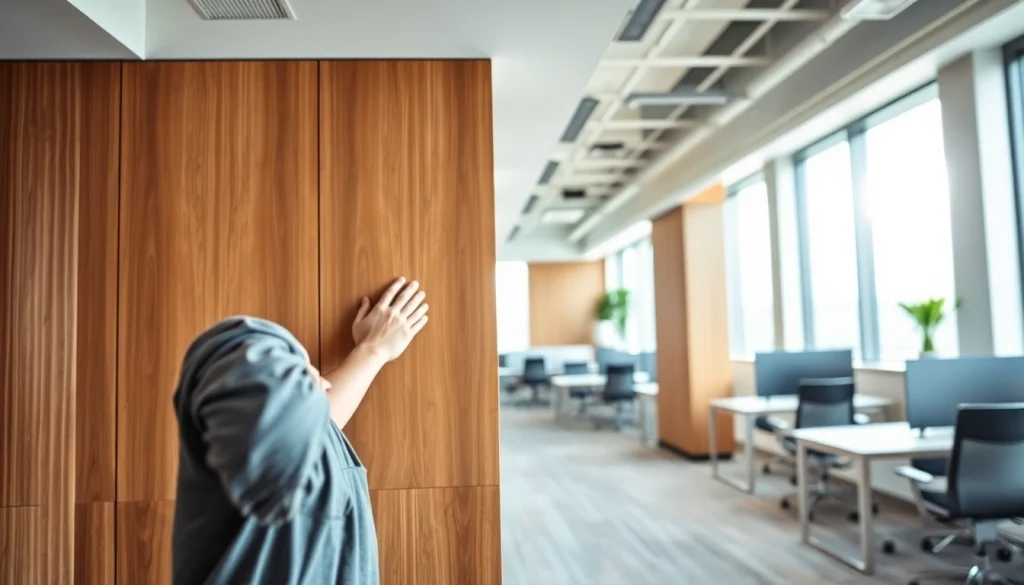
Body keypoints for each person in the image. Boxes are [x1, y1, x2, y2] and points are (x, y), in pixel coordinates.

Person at [171, 277, 428, 585]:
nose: (323, 382)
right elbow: (278, 442)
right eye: (307, 373)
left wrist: (373, 351)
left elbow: (313, 429)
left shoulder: (309, 445)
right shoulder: (242, 350)